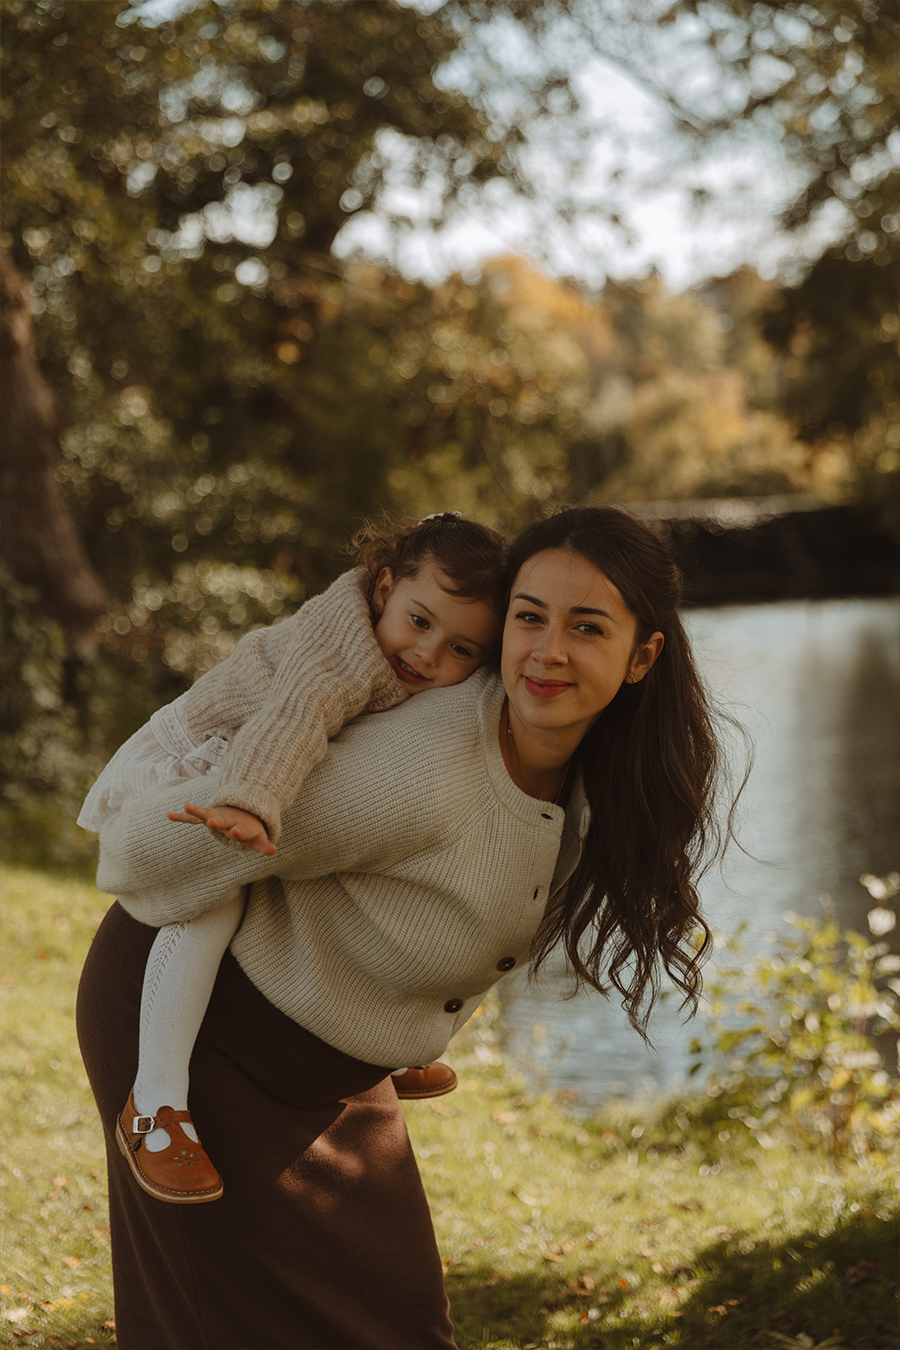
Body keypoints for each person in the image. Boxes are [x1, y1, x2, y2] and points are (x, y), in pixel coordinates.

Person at [78, 505, 732, 1350]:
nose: (548, 651)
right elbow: (133, 853)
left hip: (334, 1074)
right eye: (530, 617)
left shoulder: (599, 771)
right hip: (207, 1037)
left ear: (643, 655)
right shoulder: (417, 768)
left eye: (587, 627)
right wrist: (211, 811)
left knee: (402, 1324)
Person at [76, 513, 506, 1204]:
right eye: (419, 621)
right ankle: (155, 1105)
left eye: (461, 648)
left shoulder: (405, 658)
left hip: (264, 772)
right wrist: (250, 801)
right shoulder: (341, 649)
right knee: (211, 903)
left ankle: (386, 1041)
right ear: (384, 588)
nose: (428, 654)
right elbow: (294, 718)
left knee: (342, 870)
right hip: (206, 764)